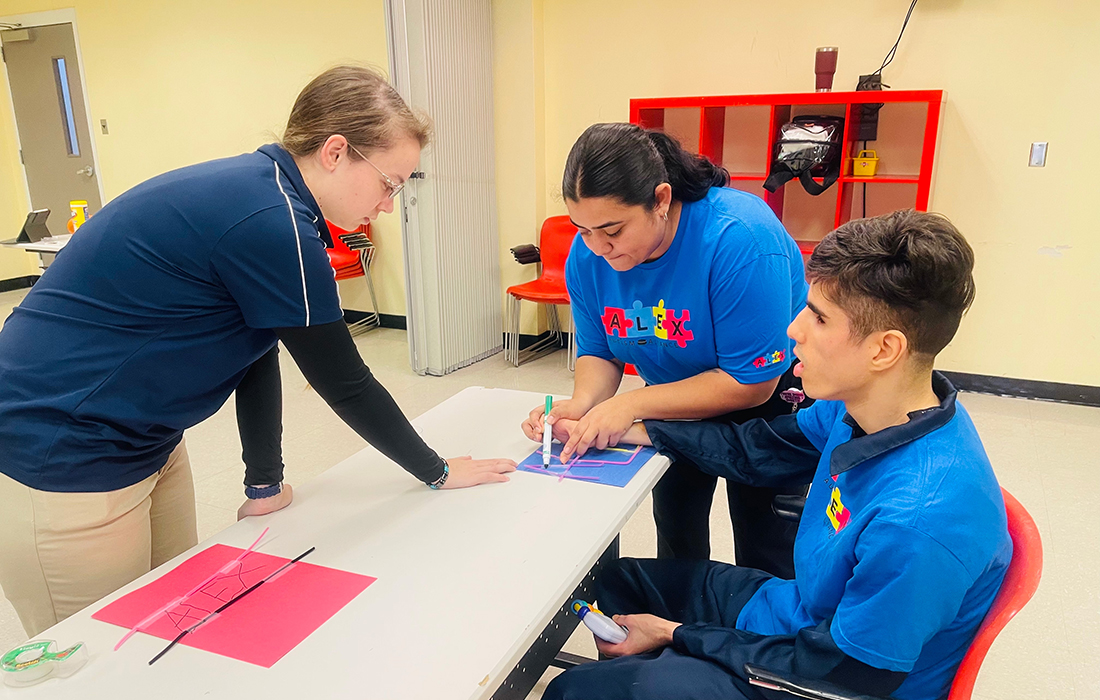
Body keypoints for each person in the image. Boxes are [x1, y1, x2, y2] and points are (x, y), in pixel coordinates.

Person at [0, 65, 515, 637]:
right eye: (390, 184)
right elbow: (344, 382)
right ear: (336, 152)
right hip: (63, 452)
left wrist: (263, 483)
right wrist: (438, 471)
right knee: (95, 659)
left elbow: (257, 343)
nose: (389, 205)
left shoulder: (268, 195)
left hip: (148, 438)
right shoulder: (272, 220)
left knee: (168, 627)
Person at [544, 210, 1012, 700]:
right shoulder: (865, 409)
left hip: (820, 678)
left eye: (819, 316)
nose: (794, 329)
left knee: (572, 691)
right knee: (620, 583)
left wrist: (676, 636)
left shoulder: (916, 521)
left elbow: (840, 673)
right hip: (798, 613)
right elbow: (758, 449)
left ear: (884, 350)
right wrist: (638, 429)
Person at [522, 123, 808, 575]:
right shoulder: (588, 255)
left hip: (766, 400)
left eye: (612, 229)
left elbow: (750, 384)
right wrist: (582, 404)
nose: (597, 247)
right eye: (583, 229)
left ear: (660, 199)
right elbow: (601, 352)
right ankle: (679, 631)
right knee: (676, 528)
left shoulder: (740, 238)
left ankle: (760, 640)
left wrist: (631, 405)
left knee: (767, 543)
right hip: (672, 397)